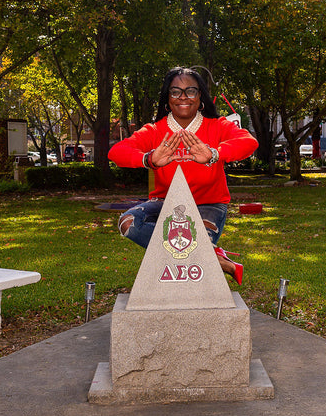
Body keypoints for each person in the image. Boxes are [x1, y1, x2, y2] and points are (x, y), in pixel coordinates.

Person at [109, 67, 258, 284]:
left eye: (191, 91)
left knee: (189, 247)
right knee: (128, 223)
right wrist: (149, 159)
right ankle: (216, 258)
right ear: (167, 98)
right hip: (164, 204)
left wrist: (214, 153)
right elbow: (116, 152)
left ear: (201, 97)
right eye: (175, 92)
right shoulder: (154, 131)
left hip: (209, 204)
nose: (183, 97)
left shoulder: (217, 126)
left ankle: (207, 254)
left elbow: (249, 142)